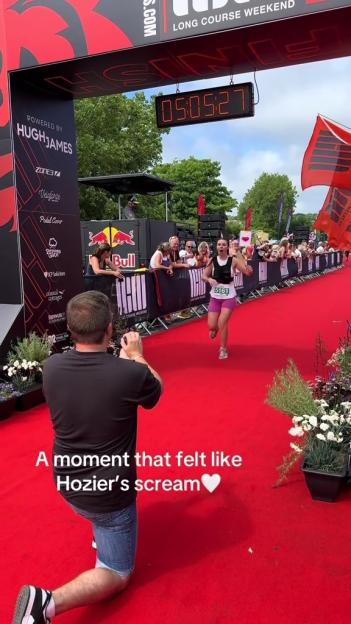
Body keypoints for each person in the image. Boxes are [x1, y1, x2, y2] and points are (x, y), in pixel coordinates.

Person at [12, 291, 162, 623]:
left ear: (71, 329)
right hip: (109, 495)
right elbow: (156, 390)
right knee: (118, 573)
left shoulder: (50, 367)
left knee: (99, 518)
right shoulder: (129, 373)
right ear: (110, 329)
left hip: (66, 482)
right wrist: (136, 355)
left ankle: (100, 533)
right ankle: (46, 603)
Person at [202, 238, 253, 360]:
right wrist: (209, 279)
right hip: (215, 297)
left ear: (227, 247)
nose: (221, 247)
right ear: (216, 247)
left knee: (222, 322)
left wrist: (248, 268)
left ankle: (223, 349)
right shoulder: (212, 260)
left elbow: (246, 272)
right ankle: (215, 328)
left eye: (223, 245)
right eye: (219, 244)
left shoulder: (233, 260)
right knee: (212, 326)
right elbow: (204, 275)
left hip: (229, 297)